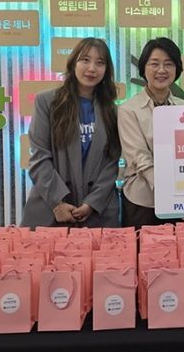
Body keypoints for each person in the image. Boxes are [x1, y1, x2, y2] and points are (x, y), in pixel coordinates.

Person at [21, 38, 121, 228]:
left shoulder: (113, 111)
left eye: (100, 63)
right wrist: (57, 202)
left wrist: (92, 203)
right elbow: (40, 157)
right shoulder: (47, 102)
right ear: (73, 63)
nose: (92, 68)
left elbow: (111, 163)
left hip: (97, 212)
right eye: (85, 60)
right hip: (51, 209)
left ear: (106, 70)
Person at [119, 37, 184, 228]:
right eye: (154, 64)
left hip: (183, 199)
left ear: (177, 69)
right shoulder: (128, 109)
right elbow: (138, 156)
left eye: (168, 64)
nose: (161, 70)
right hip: (143, 201)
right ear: (144, 68)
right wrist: (166, 189)